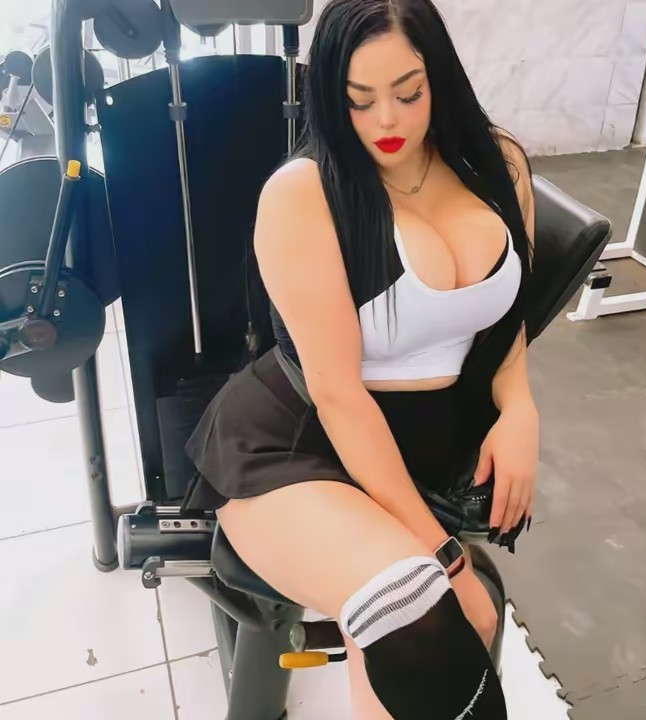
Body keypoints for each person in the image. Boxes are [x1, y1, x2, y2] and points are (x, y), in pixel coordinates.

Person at [184, 0, 539, 717]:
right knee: (420, 609)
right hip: (299, 445)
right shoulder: (305, 193)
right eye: (359, 99)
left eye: (409, 93)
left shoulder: (497, 163)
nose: (386, 121)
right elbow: (340, 397)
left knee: (424, 625)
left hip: (423, 447)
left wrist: (519, 406)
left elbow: (506, 317)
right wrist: (445, 560)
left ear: (439, 78)